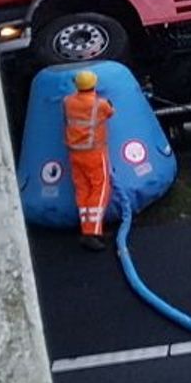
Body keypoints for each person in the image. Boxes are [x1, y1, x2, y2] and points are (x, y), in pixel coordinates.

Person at [63, 69, 116, 251]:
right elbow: (110, 112)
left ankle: (89, 228)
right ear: (94, 84)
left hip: (74, 153)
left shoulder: (68, 102)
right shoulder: (99, 104)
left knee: (83, 190)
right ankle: (91, 233)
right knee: (100, 190)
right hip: (94, 153)